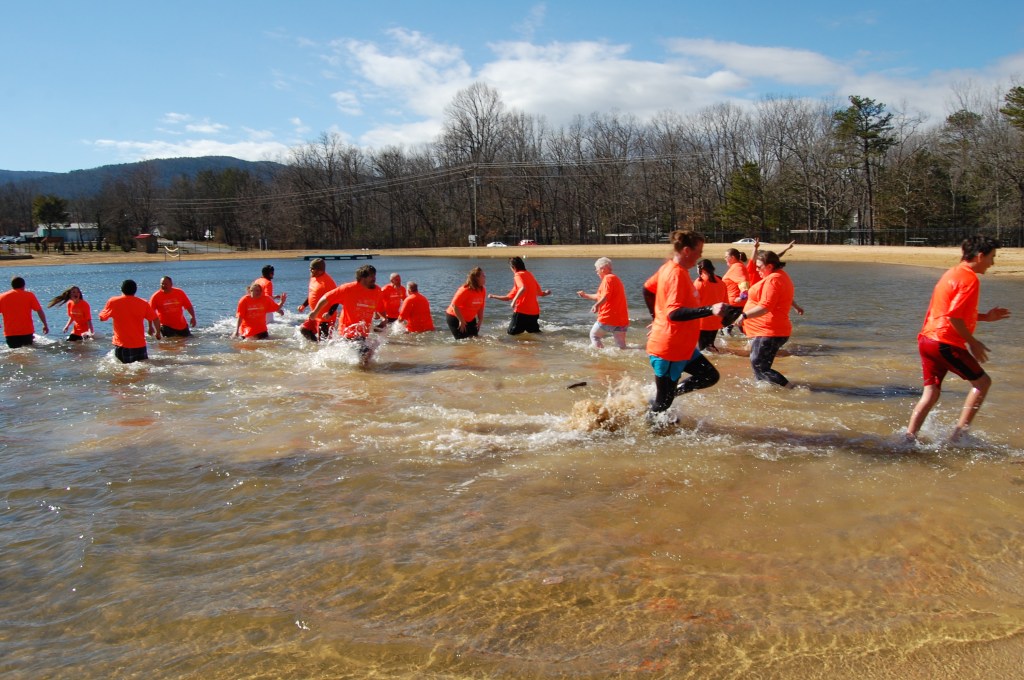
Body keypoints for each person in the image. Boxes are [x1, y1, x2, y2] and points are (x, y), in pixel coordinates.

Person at [906, 235, 1011, 442]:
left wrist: (985, 317)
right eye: (992, 257)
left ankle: (908, 438)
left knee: (931, 394)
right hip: (944, 342)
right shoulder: (970, 279)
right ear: (980, 256)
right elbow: (953, 316)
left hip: (927, 340)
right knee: (982, 382)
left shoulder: (952, 273)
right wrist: (972, 342)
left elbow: (952, 312)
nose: (992, 263)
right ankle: (958, 436)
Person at [642, 230, 729, 413]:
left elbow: (648, 289)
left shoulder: (672, 269)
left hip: (684, 347)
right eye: (699, 251)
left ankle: (670, 394)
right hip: (670, 349)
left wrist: (656, 317)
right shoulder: (675, 274)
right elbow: (674, 313)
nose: (701, 256)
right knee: (662, 405)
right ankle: (650, 438)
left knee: (709, 376)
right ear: (687, 251)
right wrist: (710, 309)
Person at [738, 250, 796, 386]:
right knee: (759, 366)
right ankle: (765, 390)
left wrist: (744, 315)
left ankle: (791, 390)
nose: (757, 269)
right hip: (771, 331)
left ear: (769, 266)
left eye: (759, 267)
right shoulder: (779, 276)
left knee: (760, 367)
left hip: (770, 332)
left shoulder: (774, 280)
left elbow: (765, 307)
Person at [307, 264, 383, 364]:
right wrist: (315, 312)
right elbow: (326, 297)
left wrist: (380, 316)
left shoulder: (377, 290)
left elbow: (377, 304)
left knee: (368, 352)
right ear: (361, 278)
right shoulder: (348, 289)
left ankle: (359, 371)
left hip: (363, 331)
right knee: (365, 353)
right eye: (371, 276)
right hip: (348, 330)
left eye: (374, 275)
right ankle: (363, 374)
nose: (374, 278)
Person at [98, 279, 160, 364]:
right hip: (140, 345)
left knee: (123, 373)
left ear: (122, 289)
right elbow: (155, 318)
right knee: (142, 372)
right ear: (135, 290)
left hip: (123, 345)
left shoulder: (114, 301)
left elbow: (102, 318)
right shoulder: (143, 303)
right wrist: (158, 333)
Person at [488, 256, 551, 335]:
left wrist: (514, 301)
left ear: (513, 267)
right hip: (534, 313)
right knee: (535, 333)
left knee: (511, 334)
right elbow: (539, 293)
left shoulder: (518, 275)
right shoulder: (529, 275)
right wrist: (493, 296)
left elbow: (522, 288)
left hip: (522, 312)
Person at [576, 256, 629, 349]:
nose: (596, 272)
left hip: (608, 317)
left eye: (597, 270)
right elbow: (599, 296)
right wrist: (585, 295)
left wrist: (596, 305)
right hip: (621, 319)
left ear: (603, 269)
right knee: (621, 345)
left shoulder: (608, 278)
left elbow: (606, 296)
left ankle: (599, 357)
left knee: (594, 336)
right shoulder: (615, 279)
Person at [0, 276, 48, 348]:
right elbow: (39, 311)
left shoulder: (2, 297)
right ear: (23, 285)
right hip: (27, 331)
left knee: (14, 353)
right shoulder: (29, 295)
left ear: (12, 285)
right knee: (28, 351)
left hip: (10, 332)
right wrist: (45, 324)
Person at [297, 258, 337, 342]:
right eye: (310, 268)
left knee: (323, 342)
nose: (310, 270)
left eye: (312, 269)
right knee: (304, 329)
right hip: (314, 315)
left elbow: (336, 299)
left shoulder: (327, 282)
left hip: (325, 318)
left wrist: (330, 313)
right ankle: (315, 346)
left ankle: (320, 350)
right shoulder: (313, 277)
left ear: (320, 271)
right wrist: (303, 305)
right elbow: (312, 294)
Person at [693, 259, 728, 352]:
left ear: (702, 269)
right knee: (710, 345)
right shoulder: (721, 282)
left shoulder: (699, 283)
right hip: (716, 320)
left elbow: (692, 302)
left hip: (703, 321)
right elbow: (726, 301)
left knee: (702, 349)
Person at [446, 267, 487, 339]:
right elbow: (454, 305)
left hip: (470, 319)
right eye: (483, 276)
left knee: (475, 339)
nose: (485, 277)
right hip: (455, 317)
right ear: (476, 278)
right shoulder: (465, 290)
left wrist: (480, 320)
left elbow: (481, 306)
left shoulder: (482, 290)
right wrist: (461, 321)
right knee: (462, 342)